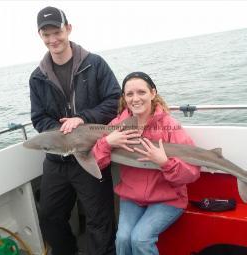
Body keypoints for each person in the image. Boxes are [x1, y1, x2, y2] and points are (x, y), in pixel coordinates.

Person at [29, 6, 121, 255]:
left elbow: (115, 100)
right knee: (49, 217)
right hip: (57, 161)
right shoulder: (37, 77)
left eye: (57, 32)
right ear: (40, 35)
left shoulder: (94, 64)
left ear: (68, 29)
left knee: (99, 220)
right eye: (46, 34)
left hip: (93, 153)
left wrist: (82, 118)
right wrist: (61, 133)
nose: (53, 39)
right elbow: (38, 117)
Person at [92, 71, 201, 255]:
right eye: (130, 94)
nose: (135, 99)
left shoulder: (170, 125)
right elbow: (97, 163)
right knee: (123, 239)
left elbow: (193, 172)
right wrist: (107, 143)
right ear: (124, 98)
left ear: (153, 93)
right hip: (132, 197)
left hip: (168, 198)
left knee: (140, 239)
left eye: (141, 92)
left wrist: (165, 163)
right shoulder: (118, 124)